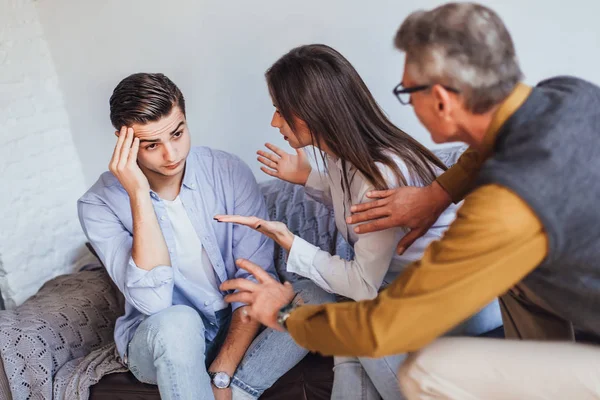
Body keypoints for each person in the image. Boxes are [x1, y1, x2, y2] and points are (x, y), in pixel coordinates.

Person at [219, 3, 600, 399]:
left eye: (406, 92)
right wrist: (436, 195)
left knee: (426, 371)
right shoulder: (566, 93)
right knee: (520, 279)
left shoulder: (507, 203)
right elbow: (488, 148)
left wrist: (284, 314)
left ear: (441, 99)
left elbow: (384, 327)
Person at [214, 44, 500, 399]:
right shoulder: (345, 159)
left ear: (311, 112)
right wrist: (309, 179)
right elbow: (355, 208)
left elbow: (363, 284)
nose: (275, 123)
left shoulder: (378, 173)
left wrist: (290, 242)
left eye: (280, 111)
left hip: (466, 298)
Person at [77, 73, 332, 400]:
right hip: (162, 340)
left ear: (185, 118)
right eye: (152, 145)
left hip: (237, 325)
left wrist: (223, 376)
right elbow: (153, 303)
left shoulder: (226, 170)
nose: (171, 155)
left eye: (178, 133)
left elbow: (254, 278)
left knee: (314, 295)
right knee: (179, 322)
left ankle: (240, 391)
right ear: (122, 141)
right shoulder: (97, 205)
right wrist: (139, 194)